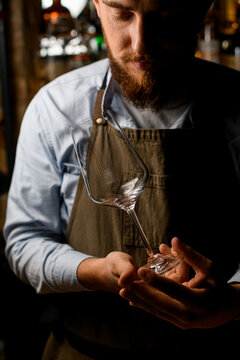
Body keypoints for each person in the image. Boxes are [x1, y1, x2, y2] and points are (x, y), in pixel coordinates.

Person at [3, 0, 240, 358]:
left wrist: (233, 299)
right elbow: (25, 242)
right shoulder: (56, 108)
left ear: (199, 10)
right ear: (98, 6)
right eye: (122, 13)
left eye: (167, 16)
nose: (140, 43)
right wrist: (93, 271)